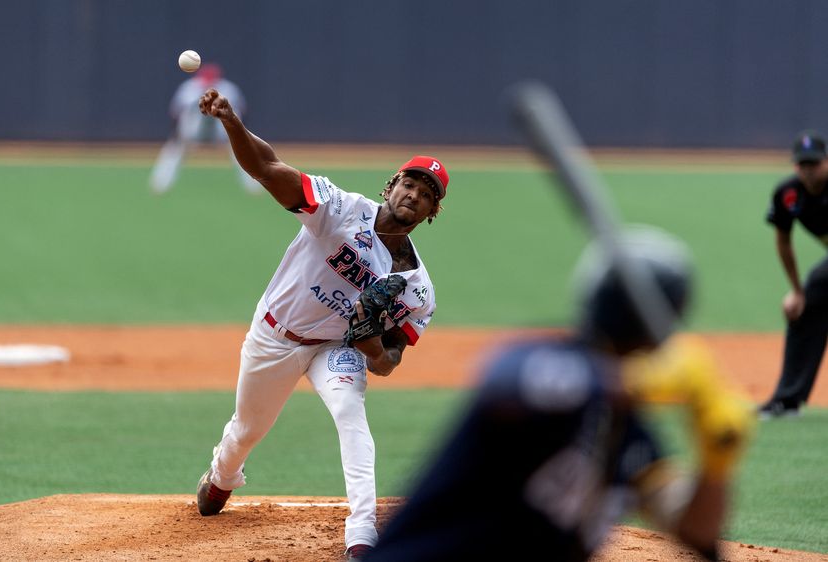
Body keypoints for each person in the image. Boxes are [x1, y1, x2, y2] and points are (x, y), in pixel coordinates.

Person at [365, 227, 752, 562]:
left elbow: (695, 528)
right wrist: (634, 380)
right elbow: (508, 384)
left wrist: (717, 461)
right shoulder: (540, 361)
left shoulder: (624, 431)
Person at [192, 87, 450, 562]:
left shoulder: (417, 290)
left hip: (335, 347)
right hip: (275, 336)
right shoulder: (340, 209)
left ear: (432, 212)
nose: (415, 194)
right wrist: (231, 121)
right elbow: (267, 168)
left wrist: (369, 339)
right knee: (247, 429)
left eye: (427, 193)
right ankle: (224, 474)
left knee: (351, 415)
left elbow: (388, 362)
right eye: (410, 183)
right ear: (390, 186)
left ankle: (362, 534)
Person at [759, 130, 828, 419]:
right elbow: (783, 241)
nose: (809, 171)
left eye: (815, 163)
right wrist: (797, 291)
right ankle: (788, 400)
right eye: (803, 164)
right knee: (805, 306)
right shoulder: (788, 194)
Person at [149, 63, 263, 195]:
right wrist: (177, 136)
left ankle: (254, 184)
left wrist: (240, 136)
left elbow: (242, 113)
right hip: (193, 131)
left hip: (221, 131)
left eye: (211, 80)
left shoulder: (228, 89)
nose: (208, 83)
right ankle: (160, 183)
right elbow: (176, 114)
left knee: (240, 149)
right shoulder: (189, 89)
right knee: (175, 148)